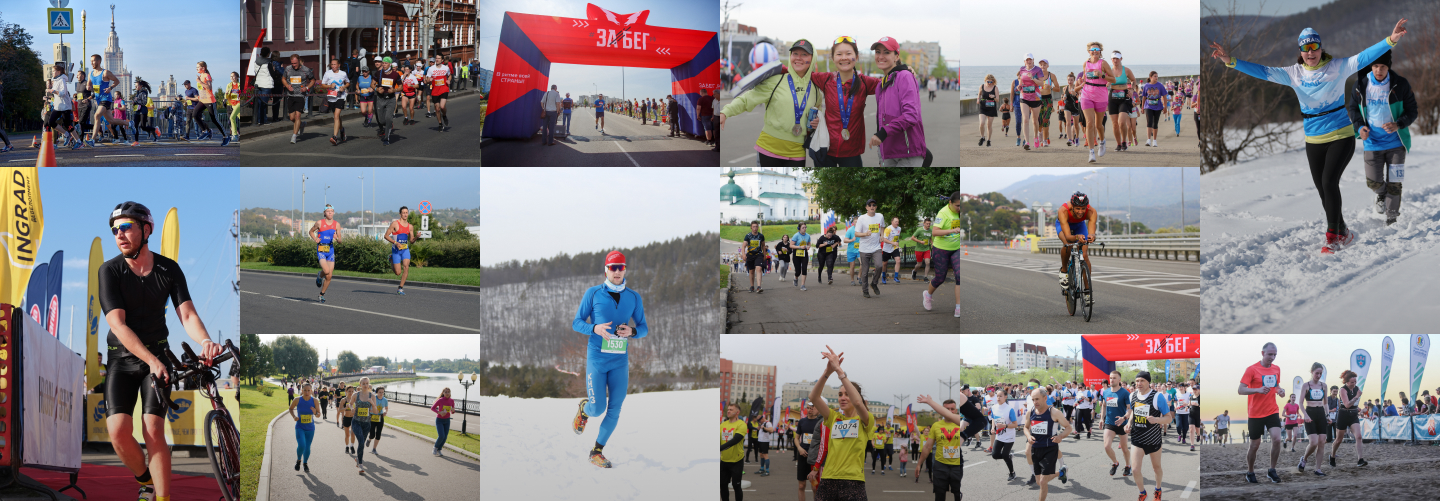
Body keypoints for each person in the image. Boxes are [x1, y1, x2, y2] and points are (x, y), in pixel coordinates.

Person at [1212, 20, 1407, 253]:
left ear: (1321, 48)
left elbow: (1365, 57)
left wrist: (1390, 40)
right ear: (1300, 52)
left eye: (1314, 47)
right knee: (1323, 190)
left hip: (1340, 135)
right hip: (1313, 140)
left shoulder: (1337, 67)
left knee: (1329, 182)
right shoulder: (1293, 74)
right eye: (1305, 49)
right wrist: (1230, 61)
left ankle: (1333, 236)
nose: (1310, 53)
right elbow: (1263, 72)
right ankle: (1343, 229)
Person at [100, 201, 223, 501]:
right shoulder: (109, 270)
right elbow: (118, 324)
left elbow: (188, 315)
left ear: (147, 230)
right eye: (115, 230)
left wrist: (205, 340)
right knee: (117, 432)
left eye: (126, 227)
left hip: (159, 358)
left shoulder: (169, 269)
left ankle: (164, 498)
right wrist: (151, 360)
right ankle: (145, 480)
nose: (119, 235)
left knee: (152, 430)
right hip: (123, 359)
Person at [571, 250, 648, 468]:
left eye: (620, 267)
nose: (616, 271)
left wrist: (632, 332)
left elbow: (643, 328)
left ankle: (596, 451)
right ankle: (584, 409)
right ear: (606, 269)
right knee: (598, 408)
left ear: (625, 270)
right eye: (612, 267)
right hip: (597, 358)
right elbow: (577, 322)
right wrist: (593, 327)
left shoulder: (633, 297)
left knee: (615, 408)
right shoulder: (593, 293)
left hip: (619, 360)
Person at [719, 40, 821, 167]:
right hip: (769, 148)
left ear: (813, 58)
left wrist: (817, 122)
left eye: (804, 54)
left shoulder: (816, 90)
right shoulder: (775, 80)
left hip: (797, 152)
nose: (799, 58)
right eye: (795, 53)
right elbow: (747, 99)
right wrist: (725, 112)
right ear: (790, 56)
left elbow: (817, 114)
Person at [1345, 50, 1415, 227]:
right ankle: (1381, 194)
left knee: (1395, 182)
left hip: (1396, 143)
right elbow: (1353, 109)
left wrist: (1398, 124)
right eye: (1375, 66)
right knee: (1373, 182)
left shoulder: (1400, 84)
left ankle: (1392, 218)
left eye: (1382, 66)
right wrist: (1360, 127)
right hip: (1372, 143)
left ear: (1388, 67)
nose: (1379, 70)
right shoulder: (1360, 85)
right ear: (1371, 66)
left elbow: (1412, 111)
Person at [809, 345, 872, 501]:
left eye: (846, 394)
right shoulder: (833, 417)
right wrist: (827, 372)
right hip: (828, 479)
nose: (843, 397)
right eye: (839, 394)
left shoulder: (865, 420)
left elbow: (858, 402)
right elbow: (814, 398)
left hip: (853, 481)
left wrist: (839, 371)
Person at [809, 36, 882, 166]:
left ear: (857, 57)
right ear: (832, 58)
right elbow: (800, 73)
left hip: (851, 153)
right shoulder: (826, 79)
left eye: (849, 53)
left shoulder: (865, 82)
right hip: (825, 148)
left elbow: (891, 82)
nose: (844, 57)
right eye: (839, 54)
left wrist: (904, 71)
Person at [872, 37, 927, 166]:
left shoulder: (904, 76)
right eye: (878, 52)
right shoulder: (881, 85)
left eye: (886, 52)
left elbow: (911, 115)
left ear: (896, 56)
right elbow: (881, 121)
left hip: (907, 152)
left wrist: (883, 132)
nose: (881, 56)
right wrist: (881, 155)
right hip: (888, 152)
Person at [1240, 342, 1286, 483]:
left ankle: (1272, 470)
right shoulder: (1252, 369)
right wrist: (1257, 389)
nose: (1272, 357)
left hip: (1272, 410)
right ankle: (1250, 471)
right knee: (1255, 445)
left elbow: (1276, 385)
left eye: (1275, 355)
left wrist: (1280, 390)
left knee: (1277, 439)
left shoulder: (1276, 369)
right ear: (1262, 353)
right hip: (1255, 413)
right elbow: (1241, 389)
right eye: (1270, 354)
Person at [1125, 371, 1174, 501]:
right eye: (1137, 381)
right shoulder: (1133, 395)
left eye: (1142, 381)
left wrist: (1157, 420)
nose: (1139, 383)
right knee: (1135, 469)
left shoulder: (1157, 397)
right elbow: (1134, 412)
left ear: (1148, 382)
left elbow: (1169, 418)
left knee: (1156, 467)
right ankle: (1142, 492)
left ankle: (1158, 489)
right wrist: (1129, 423)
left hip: (1153, 438)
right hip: (1137, 437)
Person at [1025, 388, 1072, 501]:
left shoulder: (1054, 412)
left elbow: (1068, 427)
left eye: (1037, 399)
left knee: (1042, 481)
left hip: (1050, 449)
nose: (1035, 402)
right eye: (1033, 399)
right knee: (1038, 481)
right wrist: (1028, 436)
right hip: (1036, 449)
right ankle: (1060, 472)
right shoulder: (1030, 412)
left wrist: (1060, 436)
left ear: (1045, 398)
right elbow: (1026, 427)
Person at [923, 193, 962, 317]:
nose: (959, 208)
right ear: (950, 203)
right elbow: (934, 232)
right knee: (940, 278)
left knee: (960, 276)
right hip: (941, 249)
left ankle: (959, 308)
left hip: (956, 249)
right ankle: (928, 295)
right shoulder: (943, 213)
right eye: (958, 206)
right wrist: (952, 230)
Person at [1079, 42, 1117, 162]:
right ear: (1088, 51)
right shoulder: (1086, 63)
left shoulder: (1103, 63)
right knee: (1089, 123)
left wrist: (1102, 75)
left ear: (1100, 51)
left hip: (1101, 95)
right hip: (1086, 94)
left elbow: (1113, 79)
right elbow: (1086, 78)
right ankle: (1091, 152)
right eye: (1092, 49)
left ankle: (1102, 141)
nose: (1095, 51)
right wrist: (1081, 82)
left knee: (1098, 125)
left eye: (1097, 49)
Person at [1055, 192, 1097, 295]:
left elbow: (1091, 232)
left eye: (1083, 208)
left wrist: (1092, 236)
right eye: (1078, 208)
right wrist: (1077, 237)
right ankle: (1064, 271)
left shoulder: (1091, 211)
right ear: (1072, 206)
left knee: (1085, 255)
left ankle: (1087, 291)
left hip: (1079, 225)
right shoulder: (1063, 210)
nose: (1081, 212)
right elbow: (1069, 236)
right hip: (1064, 225)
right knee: (1068, 244)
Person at [88, 54, 130, 146]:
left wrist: (110, 88)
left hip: (106, 98)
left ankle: (92, 140)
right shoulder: (90, 74)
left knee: (97, 115)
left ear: (99, 61)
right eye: (91, 61)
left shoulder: (105, 72)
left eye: (94, 60)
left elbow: (117, 81)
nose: (92, 62)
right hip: (99, 100)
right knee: (111, 121)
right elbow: (90, 86)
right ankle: (129, 124)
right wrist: (89, 88)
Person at [1298, 363, 1331, 476]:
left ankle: (1318, 469)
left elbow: (1325, 403)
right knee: (1313, 442)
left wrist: (1328, 415)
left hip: (1321, 413)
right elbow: (1300, 403)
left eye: (1320, 373)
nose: (1318, 375)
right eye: (1317, 373)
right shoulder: (1306, 385)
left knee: (1321, 442)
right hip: (1310, 413)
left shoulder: (1324, 386)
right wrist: (1305, 415)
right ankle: (1304, 459)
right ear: (1311, 372)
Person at [43, 63, 85, 150]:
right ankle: (66, 134)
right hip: (58, 106)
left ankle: (79, 142)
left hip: (65, 106)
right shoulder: (55, 80)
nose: (52, 72)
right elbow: (57, 94)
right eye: (52, 71)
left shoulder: (62, 80)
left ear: (59, 72)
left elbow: (63, 93)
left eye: (54, 71)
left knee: (68, 125)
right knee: (51, 122)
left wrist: (52, 90)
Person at [1330, 370, 1366, 467]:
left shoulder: (1356, 388)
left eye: (1355, 382)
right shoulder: (1342, 390)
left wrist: (1359, 409)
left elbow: (1354, 404)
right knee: (1339, 440)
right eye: (1352, 382)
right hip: (1343, 415)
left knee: (1358, 436)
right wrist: (1357, 396)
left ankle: (1360, 459)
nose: (1354, 384)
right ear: (1346, 382)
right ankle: (1332, 456)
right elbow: (1346, 405)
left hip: (1353, 415)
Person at [1102, 370, 1133, 477]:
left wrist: (1124, 418)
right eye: (1110, 378)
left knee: (1124, 448)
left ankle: (1128, 465)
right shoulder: (1105, 392)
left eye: (1114, 378)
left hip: (1122, 423)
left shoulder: (1125, 393)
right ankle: (1115, 463)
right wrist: (1102, 418)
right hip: (1109, 423)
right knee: (1107, 446)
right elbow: (1104, 405)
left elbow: (1130, 410)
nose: (1112, 380)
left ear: (1119, 380)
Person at [309, 204, 342, 302]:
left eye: (332, 211)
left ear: (334, 212)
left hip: (330, 250)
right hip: (321, 249)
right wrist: (315, 238)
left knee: (329, 276)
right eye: (328, 211)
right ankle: (320, 275)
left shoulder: (337, 224)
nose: (330, 213)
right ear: (324, 213)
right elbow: (311, 232)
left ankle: (321, 294)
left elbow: (340, 241)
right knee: (326, 271)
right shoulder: (319, 223)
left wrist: (337, 238)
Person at [346, 377, 377, 474]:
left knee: (361, 443)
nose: (365, 385)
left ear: (369, 384)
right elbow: (350, 404)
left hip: (367, 423)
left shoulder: (372, 396)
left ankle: (358, 458)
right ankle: (360, 464)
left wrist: (372, 404)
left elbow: (375, 411)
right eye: (363, 383)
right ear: (360, 384)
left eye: (367, 383)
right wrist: (352, 408)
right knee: (361, 441)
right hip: (356, 422)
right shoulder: (356, 395)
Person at [855, 200, 885, 298]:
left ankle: (874, 283)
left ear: (876, 207)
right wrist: (865, 234)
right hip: (864, 249)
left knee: (879, 266)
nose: (872, 206)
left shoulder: (880, 216)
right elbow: (856, 233)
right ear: (866, 207)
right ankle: (865, 290)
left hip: (876, 247)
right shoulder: (862, 218)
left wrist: (882, 235)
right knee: (865, 271)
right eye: (870, 205)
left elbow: (882, 227)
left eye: (874, 205)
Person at [194, 61, 229, 145]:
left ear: (203, 68)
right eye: (196, 67)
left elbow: (209, 87)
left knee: (215, 120)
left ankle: (226, 137)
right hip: (202, 100)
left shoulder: (206, 75)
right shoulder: (201, 76)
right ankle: (206, 131)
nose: (196, 68)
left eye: (198, 67)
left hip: (210, 100)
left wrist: (200, 81)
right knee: (195, 115)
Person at [792, 401, 820, 501]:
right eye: (808, 408)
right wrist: (799, 448)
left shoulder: (819, 422)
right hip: (802, 456)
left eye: (812, 408)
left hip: (814, 458)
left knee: (814, 486)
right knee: (801, 486)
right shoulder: (802, 422)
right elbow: (796, 438)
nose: (810, 410)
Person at [721, 402, 748, 501]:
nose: (728, 411)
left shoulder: (742, 424)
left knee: (736, 486)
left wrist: (719, 448)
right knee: (723, 485)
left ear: (737, 412)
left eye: (731, 409)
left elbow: (735, 440)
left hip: (737, 460)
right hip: (724, 460)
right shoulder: (723, 424)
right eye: (728, 409)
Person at [384, 206, 413, 294]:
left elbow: (411, 241)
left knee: (406, 267)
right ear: (400, 214)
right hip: (396, 250)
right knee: (397, 273)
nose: (405, 214)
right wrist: (395, 242)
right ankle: (391, 258)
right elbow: (386, 236)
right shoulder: (395, 224)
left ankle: (400, 288)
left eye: (406, 212)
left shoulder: (410, 226)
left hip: (405, 250)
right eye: (403, 213)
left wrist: (416, 237)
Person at [320, 59, 349, 146]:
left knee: (336, 116)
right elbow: (322, 85)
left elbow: (348, 83)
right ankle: (342, 130)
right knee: (337, 117)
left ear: (339, 65)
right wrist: (329, 86)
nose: (333, 66)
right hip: (331, 97)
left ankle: (335, 137)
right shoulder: (328, 73)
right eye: (332, 64)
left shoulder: (343, 73)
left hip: (340, 96)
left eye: (334, 64)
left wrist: (343, 87)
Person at [288, 382, 317, 473]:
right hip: (300, 427)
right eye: (305, 390)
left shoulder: (315, 401)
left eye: (309, 390)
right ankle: (298, 460)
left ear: (311, 391)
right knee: (302, 445)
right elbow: (291, 408)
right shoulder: (297, 399)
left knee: (308, 447)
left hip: (310, 428)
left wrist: (315, 412)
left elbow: (319, 414)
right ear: (302, 390)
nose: (307, 392)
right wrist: (294, 417)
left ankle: (305, 463)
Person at [374, 57, 401, 146]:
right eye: (383, 63)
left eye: (385, 63)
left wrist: (394, 90)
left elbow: (401, 87)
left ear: (390, 64)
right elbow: (372, 83)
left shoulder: (395, 74)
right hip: (380, 98)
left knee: (388, 118)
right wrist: (377, 89)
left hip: (390, 99)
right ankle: (388, 124)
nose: (383, 65)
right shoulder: (378, 73)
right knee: (381, 121)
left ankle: (386, 138)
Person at [1140, 72, 1169, 147]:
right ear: (1150, 77)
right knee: (1149, 121)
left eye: (1157, 76)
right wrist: (1142, 107)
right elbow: (1144, 97)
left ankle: (1154, 140)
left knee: (1155, 123)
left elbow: (1164, 96)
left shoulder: (1160, 85)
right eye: (1155, 76)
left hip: (1158, 106)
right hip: (1148, 105)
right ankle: (1148, 140)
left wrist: (1165, 107)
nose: (1156, 78)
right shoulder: (1146, 85)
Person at [426, 56, 451, 131]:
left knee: (442, 107)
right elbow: (427, 80)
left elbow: (450, 76)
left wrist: (448, 80)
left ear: (442, 60)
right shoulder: (431, 68)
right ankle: (440, 124)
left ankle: (444, 115)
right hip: (435, 91)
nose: (437, 60)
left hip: (444, 89)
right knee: (437, 109)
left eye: (439, 58)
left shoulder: (446, 68)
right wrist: (429, 80)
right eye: (436, 58)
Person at [743, 221, 766, 293]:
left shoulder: (761, 236)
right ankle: (752, 286)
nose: (755, 228)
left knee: (759, 268)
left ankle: (759, 287)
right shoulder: (748, 236)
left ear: (758, 227)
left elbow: (763, 246)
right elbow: (743, 246)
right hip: (750, 255)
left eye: (756, 226)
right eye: (754, 226)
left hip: (758, 254)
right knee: (751, 271)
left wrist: (764, 255)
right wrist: (743, 254)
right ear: (751, 227)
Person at [432, 387, 456, 456]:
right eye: (446, 392)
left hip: (447, 420)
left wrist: (453, 410)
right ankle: (435, 447)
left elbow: (452, 411)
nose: (447, 393)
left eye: (448, 392)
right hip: (439, 420)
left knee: (445, 437)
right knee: (441, 435)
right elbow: (432, 408)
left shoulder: (452, 401)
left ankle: (439, 449)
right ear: (443, 393)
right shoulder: (440, 400)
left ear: (450, 393)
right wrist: (439, 412)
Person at [977, 74, 998, 147]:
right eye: (988, 82)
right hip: (983, 106)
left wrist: (994, 96)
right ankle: (982, 137)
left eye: (991, 82)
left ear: (993, 81)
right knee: (982, 123)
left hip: (991, 107)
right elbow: (979, 94)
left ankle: (989, 140)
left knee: (989, 125)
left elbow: (997, 100)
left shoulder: (995, 88)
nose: (989, 83)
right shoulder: (982, 86)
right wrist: (977, 99)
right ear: (985, 80)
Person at [880, 217, 902, 284]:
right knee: (884, 263)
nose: (897, 223)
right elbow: (884, 239)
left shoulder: (899, 228)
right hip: (887, 248)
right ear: (892, 222)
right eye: (896, 222)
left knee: (898, 260)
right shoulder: (888, 229)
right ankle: (883, 276)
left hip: (894, 248)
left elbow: (896, 238)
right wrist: (893, 242)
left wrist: (896, 243)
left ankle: (896, 277)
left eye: (898, 222)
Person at [792, 223, 812, 291]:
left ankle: (802, 285)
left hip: (804, 254)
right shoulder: (796, 235)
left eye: (805, 227)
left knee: (804, 269)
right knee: (798, 271)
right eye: (803, 227)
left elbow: (809, 243)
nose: (804, 229)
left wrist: (808, 246)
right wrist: (799, 247)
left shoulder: (808, 236)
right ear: (799, 228)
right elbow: (791, 245)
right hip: (796, 254)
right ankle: (795, 277)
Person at [1176, 383, 1193, 450]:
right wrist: (1175, 407)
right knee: (1178, 426)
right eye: (1179, 387)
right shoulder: (1177, 394)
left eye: (1182, 387)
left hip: (1186, 412)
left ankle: (1184, 438)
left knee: (1185, 427)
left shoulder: (1188, 394)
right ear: (1178, 388)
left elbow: (1192, 402)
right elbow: (1175, 401)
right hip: (1178, 412)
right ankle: (1179, 434)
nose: (1181, 388)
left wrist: (1187, 404)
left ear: (1184, 387)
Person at [341, 386, 357, 452]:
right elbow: (339, 410)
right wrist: (345, 408)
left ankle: (352, 446)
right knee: (347, 435)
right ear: (346, 391)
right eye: (349, 391)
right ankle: (347, 446)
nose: (351, 393)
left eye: (352, 391)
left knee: (353, 434)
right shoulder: (343, 400)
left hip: (353, 419)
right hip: (346, 418)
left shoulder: (355, 400)